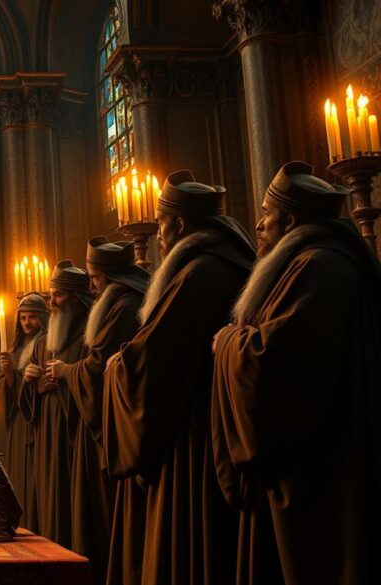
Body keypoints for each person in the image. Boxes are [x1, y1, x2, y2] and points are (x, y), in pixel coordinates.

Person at [211, 161, 381, 585]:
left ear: (288, 220)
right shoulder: (319, 262)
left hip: (320, 470)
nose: (259, 223)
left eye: (266, 214)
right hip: (322, 454)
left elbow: (276, 362)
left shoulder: (317, 268)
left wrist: (228, 343)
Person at [104, 170, 255, 585]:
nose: (158, 234)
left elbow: (155, 359)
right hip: (216, 424)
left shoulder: (198, 274)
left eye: (161, 222)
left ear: (181, 224)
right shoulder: (231, 264)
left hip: (192, 436)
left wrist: (118, 366)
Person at [48, 238, 149, 585]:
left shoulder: (124, 304)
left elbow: (99, 365)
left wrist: (65, 372)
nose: (92, 285)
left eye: (95, 278)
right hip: (105, 416)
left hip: (114, 421)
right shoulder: (118, 301)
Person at [24, 261, 93, 549]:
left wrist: (68, 373)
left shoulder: (91, 336)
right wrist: (32, 384)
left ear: (77, 299)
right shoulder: (43, 343)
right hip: (47, 438)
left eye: (58, 295)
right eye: (51, 295)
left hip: (76, 438)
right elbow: (30, 397)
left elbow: (99, 379)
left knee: (74, 506)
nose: (50, 301)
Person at [0, 292, 49, 532]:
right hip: (17, 422)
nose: (27, 322)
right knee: (18, 474)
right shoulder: (15, 349)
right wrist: (8, 375)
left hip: (36, 419)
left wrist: (25, 382)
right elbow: (2, 392)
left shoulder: (47, 343)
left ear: (42, 318)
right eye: (23, 318)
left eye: (32, 317)